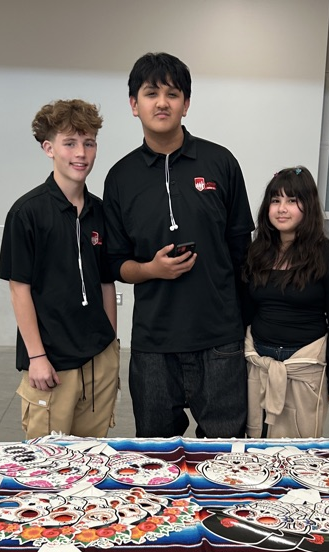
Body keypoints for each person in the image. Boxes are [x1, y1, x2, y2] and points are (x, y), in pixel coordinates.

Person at [103, 52, 254, 439]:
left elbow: (242, 252)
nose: (162, 102)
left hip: (220, 338)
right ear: (134, 105)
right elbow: (116, 263)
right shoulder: (121, 177)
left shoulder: (221, 163)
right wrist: (151, 270)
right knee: (155, 460)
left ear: (186, 104)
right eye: (151, 93)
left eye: (173, 93)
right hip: (154, 343)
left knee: (223, 459)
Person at [0, 99, 119, 440]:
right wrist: (36, 356)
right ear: (48, 148)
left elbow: (107, 282)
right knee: (48, 465)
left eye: (89, 142)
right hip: (51, 362)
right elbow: (19, 289)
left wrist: (110, 344)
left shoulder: (101, 212)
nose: (81, 153)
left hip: (98, 362)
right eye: (70, 143)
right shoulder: (27, 213)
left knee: (94, 457)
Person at [243, 166, 329, 439]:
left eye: (292, 201)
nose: (282, 208)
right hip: (260, 361)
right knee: (256, 442)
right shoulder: (257, 253)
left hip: (305, 365)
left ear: (308, 205)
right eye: (275, 200)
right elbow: (246, 310)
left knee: (299, 445)